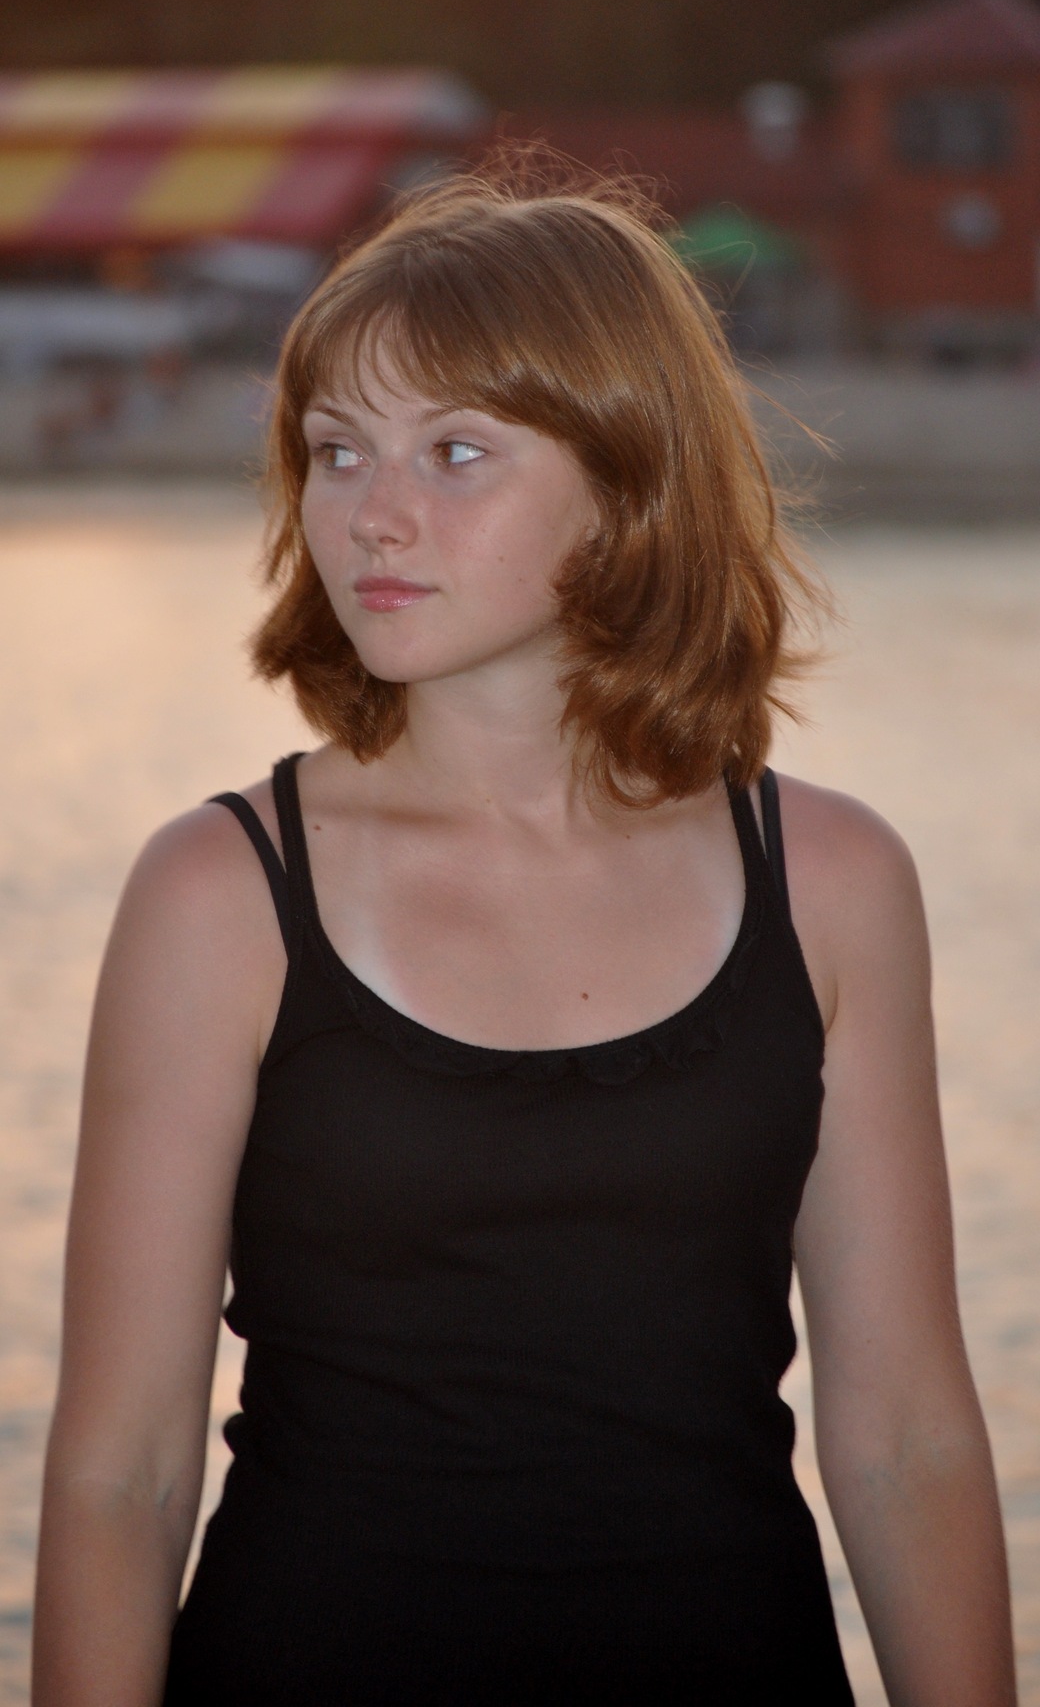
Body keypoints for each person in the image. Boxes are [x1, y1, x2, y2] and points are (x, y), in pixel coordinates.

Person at [33, 165, 1016, 1706]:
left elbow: (905, 1442)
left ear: (627, 481)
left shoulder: (829, 883)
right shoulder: (218, 897)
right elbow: (121, 1474)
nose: (373, 513)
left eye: (457, 452)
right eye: (337, 451)